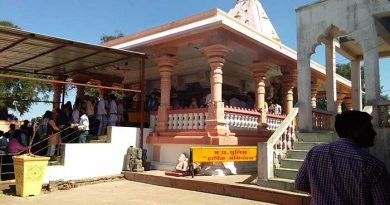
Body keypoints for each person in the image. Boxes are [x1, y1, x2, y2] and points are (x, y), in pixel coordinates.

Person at [295, 111, 390, 204]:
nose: (374, 133)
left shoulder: (315, 153)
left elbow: (300, 184)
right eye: (368, 129)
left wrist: (322, 193)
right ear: (353, 132)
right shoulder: (373, 166)